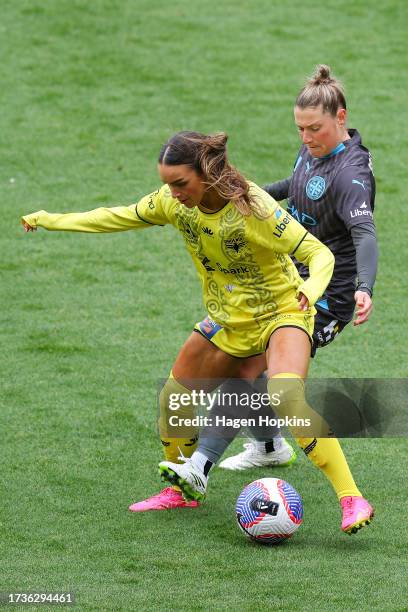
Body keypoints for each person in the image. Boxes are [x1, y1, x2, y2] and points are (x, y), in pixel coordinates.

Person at [22, 128, 373, 535]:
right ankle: (186, 487)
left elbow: (318, 253)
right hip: (228, 318)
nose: (172, 192)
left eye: (180, 183)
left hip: (283, 313)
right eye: (167, 183)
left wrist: (310, 291)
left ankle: (351, 498)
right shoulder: (176, 205)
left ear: (206, 173)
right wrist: (51, 220)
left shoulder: (252, 208)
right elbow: (116, 216)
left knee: (285, 395)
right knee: (175, 396)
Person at [199, 63, 378, 474]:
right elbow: (294, 188)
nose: (305, 137)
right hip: (288, 278)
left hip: (328, 295)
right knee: (251, 359)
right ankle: (267, 446)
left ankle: (199, 466)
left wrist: (364, 286)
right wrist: (243, 194)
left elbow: (365, 234)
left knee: (255, 365)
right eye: (300, 128)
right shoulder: (314, 148)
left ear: (341, 117)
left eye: (314, 128)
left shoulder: (351, 175)